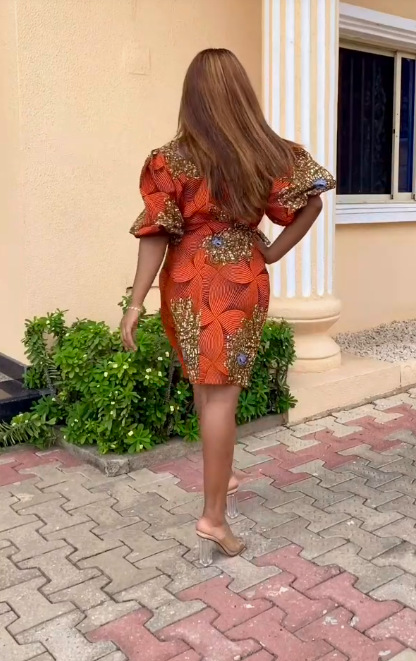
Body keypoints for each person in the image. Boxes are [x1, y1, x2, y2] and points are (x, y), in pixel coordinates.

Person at [121, 48, 335, 566]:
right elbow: (313, 199)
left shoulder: (168, 159)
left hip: (186, 277)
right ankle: (214, 519)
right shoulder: (266, 153)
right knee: (221, 396)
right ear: (241, 93)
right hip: (239, 279)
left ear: (191, 97)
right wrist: (274, 251)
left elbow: (156, 232)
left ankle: (225, 476)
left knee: (206, 385)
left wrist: (135, 302)